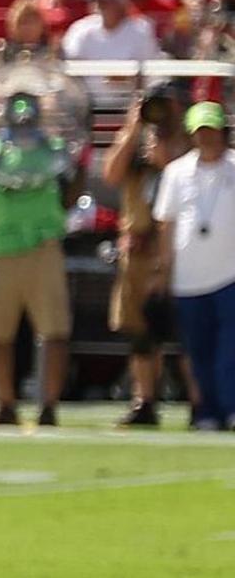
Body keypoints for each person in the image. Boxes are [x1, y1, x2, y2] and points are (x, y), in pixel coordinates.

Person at [0, 78, 79, 431]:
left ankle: (48, 404)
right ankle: (6, 403)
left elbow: (68, 197)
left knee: (54, 331)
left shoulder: (54, 149)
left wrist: (82, 164)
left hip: (42, 247)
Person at [103, 87, 183, 429]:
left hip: (171, 251)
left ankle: (197, 398)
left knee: (178, 329)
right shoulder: (135, 148)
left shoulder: (182, 147)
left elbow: (180, 173)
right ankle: (144, 398)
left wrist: (166, 155)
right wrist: (134, 127)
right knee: (137, 331)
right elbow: (111, 174)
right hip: (135, 252)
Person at [152, 102, 235, 430]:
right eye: (201, 132)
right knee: (198, 352)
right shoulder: (176, 172)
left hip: (230, 275)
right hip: (188, 278)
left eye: (212, 131)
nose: (207, 138)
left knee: (229, 350)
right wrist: (164, 272)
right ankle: (207, 411)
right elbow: (166, 223)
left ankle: (230, 408)